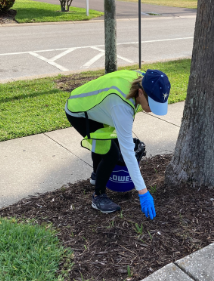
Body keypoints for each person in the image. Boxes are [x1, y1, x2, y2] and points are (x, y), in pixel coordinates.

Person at [65, 69, 171, 220]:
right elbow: (127, 152)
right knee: (111, 154)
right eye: (151, 104)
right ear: (140, 93)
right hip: (80, 111)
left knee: (107, 144)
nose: (153, 110)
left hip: (97, 106)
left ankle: (97, 176)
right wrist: (143, 192)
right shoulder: (121, 106)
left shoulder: (142, 79)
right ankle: (98, 196)